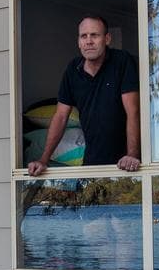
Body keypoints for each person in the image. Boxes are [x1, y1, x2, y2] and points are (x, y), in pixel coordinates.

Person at [28, 15, 140, 175]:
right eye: (84, 36)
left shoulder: (121, 61)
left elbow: (133, 111)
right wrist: (44, 160)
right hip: (92, 164)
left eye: (94, 35)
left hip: (127, 165)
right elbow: (60, 117)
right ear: (79, 41)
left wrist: (132, 155)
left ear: (107, 39)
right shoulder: (73, 69)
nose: (89, 41)